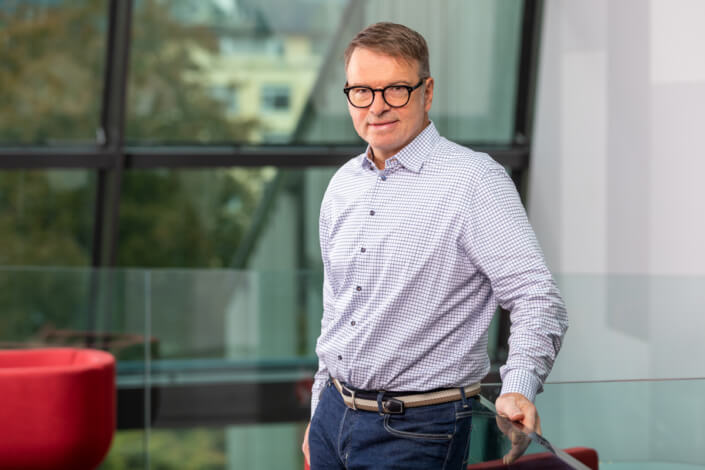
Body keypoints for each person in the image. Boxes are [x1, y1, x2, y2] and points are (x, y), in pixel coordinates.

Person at [302, 22, 568, 469]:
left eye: (396, 90)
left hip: (418, 431)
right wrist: (318, 411)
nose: (377, 107)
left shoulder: (475, 181)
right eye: (362, 92)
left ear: (427, 92)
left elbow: (537, 298)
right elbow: (337, 309)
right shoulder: (342, 184)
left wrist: (518, 386)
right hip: (333, 418)